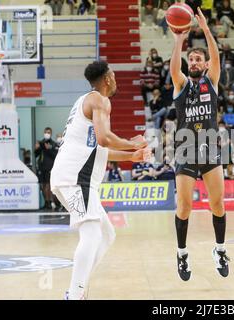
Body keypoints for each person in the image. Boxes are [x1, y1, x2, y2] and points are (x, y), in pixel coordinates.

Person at [50, 60, 150, 300]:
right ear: (107, 78)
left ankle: (78, 289)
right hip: (76, 179)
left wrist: (130, 156)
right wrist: (132, 142)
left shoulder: (87, 102)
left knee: (106, 234)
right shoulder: (99, 100)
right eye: (114, 75)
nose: (115, 79)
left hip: (70, 177)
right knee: (93, 233)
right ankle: (75, 295)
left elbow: (98, 148)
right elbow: (105, 139)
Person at [170, 8, 229, 281]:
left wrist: (206, 30)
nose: (194, 62)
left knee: (217, 204)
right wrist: (178, 39)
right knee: (184, 207)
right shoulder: (181, 83)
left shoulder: (211, 81)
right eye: (190, 59)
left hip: (209, 147)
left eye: (198, 59)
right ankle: (182, 254)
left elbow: (216, 56)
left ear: (204, 65)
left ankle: (220, 250)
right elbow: (173, 68)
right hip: (185, 148)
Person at [35, 127, 58, 210]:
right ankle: (46, 202)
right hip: (41, 167)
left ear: (51, 133)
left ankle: (50, 202)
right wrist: (37, 148)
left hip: (50, 167)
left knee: (48, 185)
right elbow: (35, 155)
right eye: (45, 132)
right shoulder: (41, 143)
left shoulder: (54, 144)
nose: (47, 134)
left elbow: (55, 156)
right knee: (42, 186)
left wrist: (49, 149)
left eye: (48, 132)